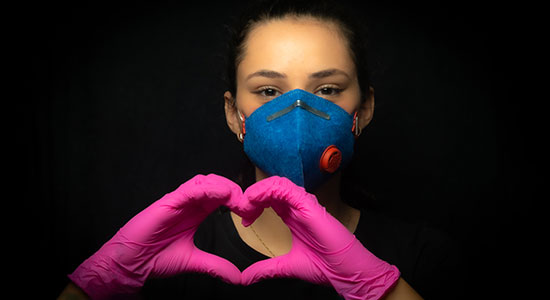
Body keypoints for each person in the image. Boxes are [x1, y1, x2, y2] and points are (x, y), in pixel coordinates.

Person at [58, 0, 462, 299]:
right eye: (269, 91)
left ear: (365, 109)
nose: (299, 114)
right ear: (235, 115)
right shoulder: (177, 257)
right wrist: (97, 282)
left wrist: (381, 289)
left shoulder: (424, 256)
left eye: (327, 90)